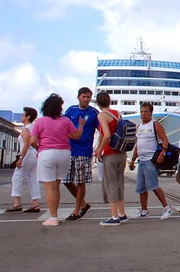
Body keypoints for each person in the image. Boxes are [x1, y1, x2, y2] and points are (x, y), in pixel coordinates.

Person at [30, 94, 86, 226]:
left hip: (47, 153)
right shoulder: (66, 121)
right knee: (56, 186)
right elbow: (76, 136)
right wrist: (81, 126)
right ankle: (54, 216)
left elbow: (32, 141)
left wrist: (39, 148)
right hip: (64, 153)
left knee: (50, 187)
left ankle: (53, 217)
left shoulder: (41, 121)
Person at [128, 103, 173, 220]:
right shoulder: (139, 127)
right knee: (141, 187)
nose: (143, 114)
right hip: (141, 160)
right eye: (142, 111)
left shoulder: (155, 124)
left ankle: (166, 207)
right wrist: (133, 159)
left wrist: (162, 153)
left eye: (146, 112)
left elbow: (165, 139)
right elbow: (138, 145)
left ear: (151, 113)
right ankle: (144, 210)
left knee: (153, 185)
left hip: (150, 160)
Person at [63, 87, 99, 221]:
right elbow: (63, 125)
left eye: (88, 97)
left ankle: (77, 210)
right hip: (69, 149)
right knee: (66, 180)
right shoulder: (71, 110)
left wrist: (99, 148)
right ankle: (83, 204)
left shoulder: (94, 113)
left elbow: (101, 129)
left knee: (81, 181)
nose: (86, 99)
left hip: (84, 150)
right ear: (78, 97)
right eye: (84, 96)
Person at [93, 91, 127, 226]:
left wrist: (99, 150)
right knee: (119, 182)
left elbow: (106, 135)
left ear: (98, 103)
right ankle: (122, 213)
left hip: (110, 153)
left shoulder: (101, 115)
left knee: (110, 183)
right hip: (121, 152)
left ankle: (114, 216)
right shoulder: (117, 113)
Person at [6, 107, 41, 213]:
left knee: (17, 177)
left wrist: (20, 158)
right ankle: (35, 203)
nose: (21, 117)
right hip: (34, 154)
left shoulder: (26, 129)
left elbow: (26, 144)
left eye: (23, 115)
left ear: (28, 117)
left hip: (27, 153)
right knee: (33, 178)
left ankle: (17, 203)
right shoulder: (34, 127)